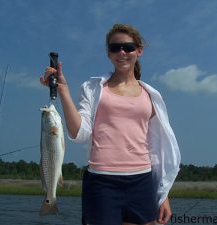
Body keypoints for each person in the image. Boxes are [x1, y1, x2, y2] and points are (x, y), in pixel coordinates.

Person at [40, 23, 181, 225]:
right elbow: (80, 133)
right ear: (108, 53)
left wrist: (163, 194)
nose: (121, 52)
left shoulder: (152, 96)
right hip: (102, 181)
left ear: (139, 51)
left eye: (128, 47)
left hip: (142, 181)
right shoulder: (93, 88)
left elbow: (156, 148)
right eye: (115, 48)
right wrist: (63, 90)